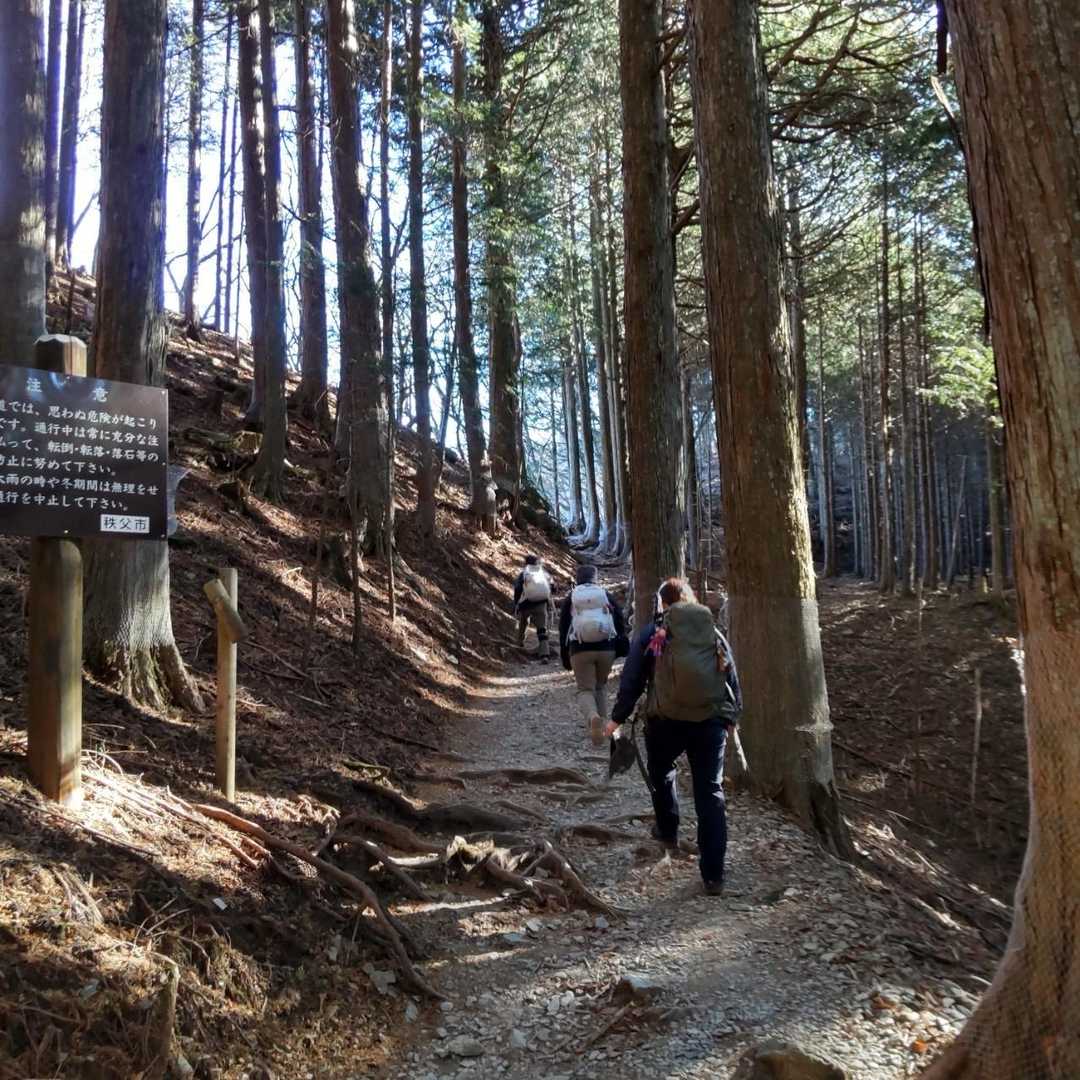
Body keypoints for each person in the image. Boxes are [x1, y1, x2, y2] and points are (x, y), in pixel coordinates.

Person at [608, 577, 741, 895]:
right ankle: (713, 875)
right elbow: (730, 673)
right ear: (691, 599)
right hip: (710, 721)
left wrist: (617, 718)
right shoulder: (712, 631)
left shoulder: (653, 633)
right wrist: (732, 715)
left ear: (663, 603)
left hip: (665, 721)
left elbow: (632, 678)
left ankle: (668, 831)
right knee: (710, 792)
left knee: (662, 772)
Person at [559, 565, 626, 746]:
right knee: (600, 686)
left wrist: (565, 656)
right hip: (606, 649)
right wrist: (620, 647)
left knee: (585, 689)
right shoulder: (605, 595)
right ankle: (603, 727)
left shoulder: (572, 598)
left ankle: (592, 717)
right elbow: (619, 621)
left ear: (577, 579)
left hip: (579, 649)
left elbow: (563, 629)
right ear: (595, 579)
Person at [512, 554, 554, 661]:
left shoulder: (524, 573)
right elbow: (553, 588)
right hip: (541, 604)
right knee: (542, 629)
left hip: (526, 604)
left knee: (522, 625)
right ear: (538, 563)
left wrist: (516, 603)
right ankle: (544, 654)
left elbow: (518, 589)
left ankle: (519, 646)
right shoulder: (544, 573)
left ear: (526, 563)